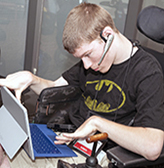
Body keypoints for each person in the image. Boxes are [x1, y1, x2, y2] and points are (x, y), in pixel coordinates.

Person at [0, 2, 164, 165]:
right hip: (66, 139)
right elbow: (55, 90)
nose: (85, 65)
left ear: (107, 35)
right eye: (81, 58)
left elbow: (152, 147)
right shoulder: (94, 62)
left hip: (98, 155)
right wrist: (32, 79)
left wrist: (96, 122)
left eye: (88, 54)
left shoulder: (147, 72)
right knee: (4, 149)